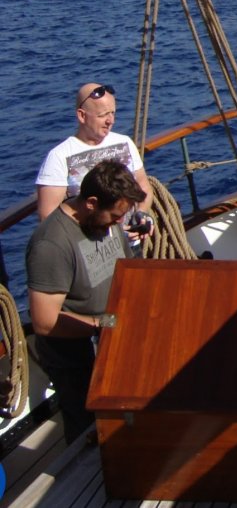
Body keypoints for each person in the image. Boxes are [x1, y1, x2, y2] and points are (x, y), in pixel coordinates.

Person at [26, 160, 146, 443]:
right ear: (91, 202)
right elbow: (45, 322)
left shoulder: (106, 220)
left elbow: (126, 266)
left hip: (112, 335)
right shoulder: (51, 245)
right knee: (87, 430)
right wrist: (103, 324)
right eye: (115, 217)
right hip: (76, 354)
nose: (120, 223)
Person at [35, 83, 154, 243]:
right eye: (103, 115)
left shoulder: (125, 142)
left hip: (130, 246)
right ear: (82, 116)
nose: (110, 121)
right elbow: (49, 218)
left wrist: (142, 213)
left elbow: (144, 186)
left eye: (113, 113)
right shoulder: (59, 157)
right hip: (91, 255)